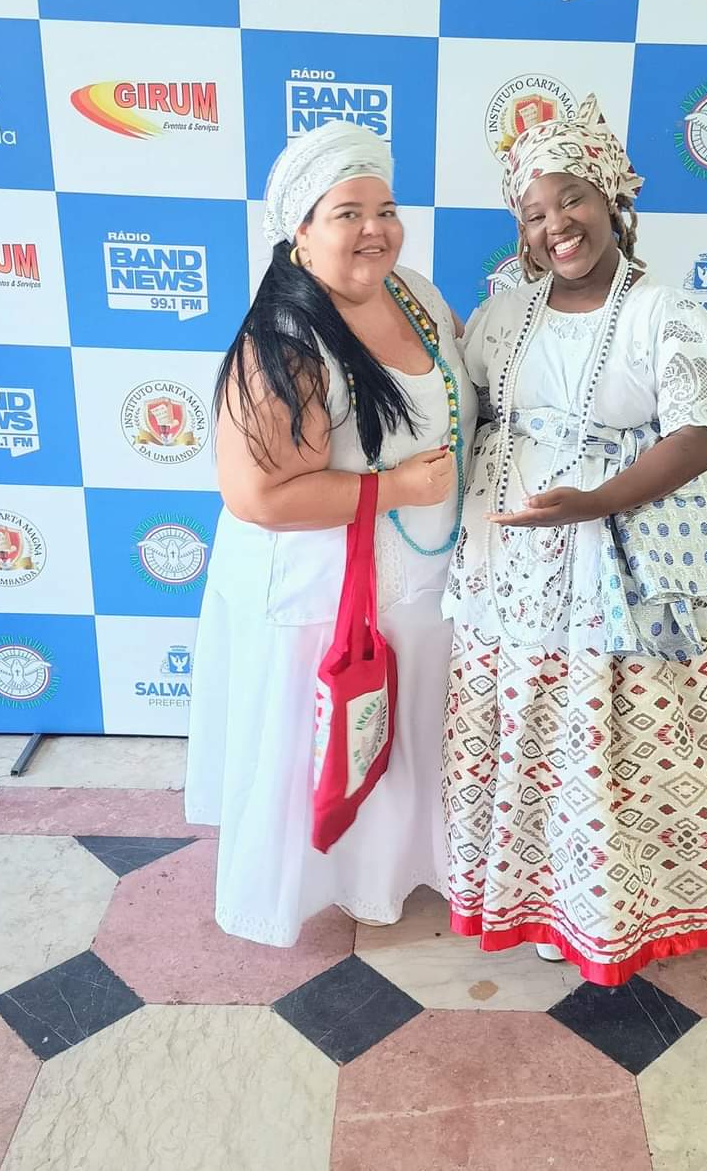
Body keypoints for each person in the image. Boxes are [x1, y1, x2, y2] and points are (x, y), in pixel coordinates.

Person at [442, 94, 707, 985]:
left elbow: (697, 438)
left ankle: (633, 908)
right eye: (535, 213)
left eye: (572, 198)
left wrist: (595, 503)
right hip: (518, 560)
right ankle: (542, 900)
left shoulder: (662, 311)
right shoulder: (505, 312)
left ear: (610, 198)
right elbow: (470, 407)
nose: (557, 225)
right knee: (537, 732)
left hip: (634, 558)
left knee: (624, 741)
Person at [184, 120, 477, 945]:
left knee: (404, 739)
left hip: (422, 584)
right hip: (323, 596)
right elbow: (258, 497)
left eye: (386, 209)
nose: (375, 230)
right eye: (348, 213)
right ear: (301, 232)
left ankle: (391, 876)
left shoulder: (414, 292)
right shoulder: (284, 341)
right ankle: (322, 886)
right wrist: (398, 489)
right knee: (325, 742)